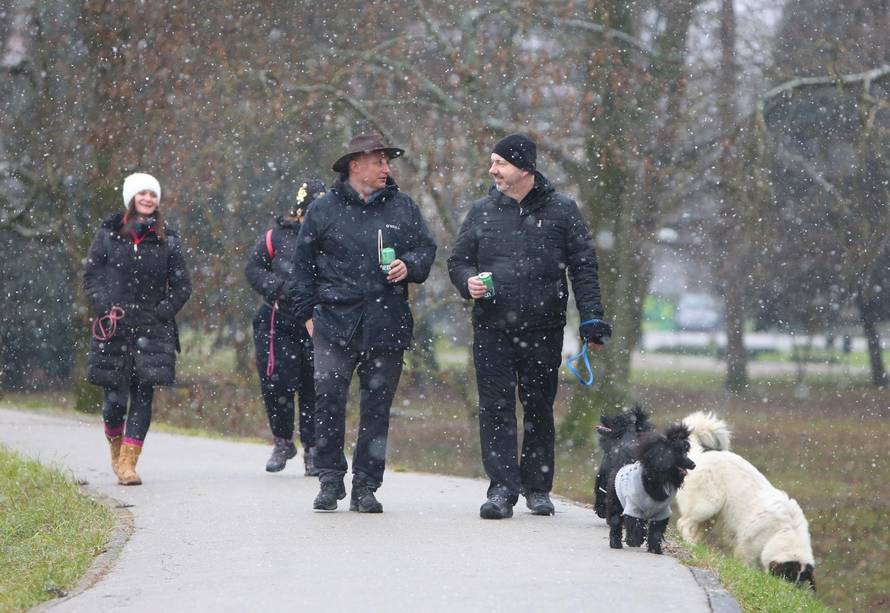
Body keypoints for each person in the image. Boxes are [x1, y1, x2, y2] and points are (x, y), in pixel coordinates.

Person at [447, 134, 612, 519]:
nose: (492, 170)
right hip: (492, 328)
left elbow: (583, 267)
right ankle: (501, 490)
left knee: (539, 407)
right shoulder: (482, 211)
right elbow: (458, 260)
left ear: (524, 168)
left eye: (500, 163)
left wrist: (591, 319)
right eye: (492, 162)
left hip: (543, 328)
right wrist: (467, 282)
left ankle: (538, 489)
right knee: (495, 408)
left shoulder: (563, 210)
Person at [285, 134, 437, 513]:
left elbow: (426, 250)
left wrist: (409, 266)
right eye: (379, 161)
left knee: (377, 410)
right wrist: (307, 316)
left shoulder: (403, 207)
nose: (386, 168)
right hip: (333, 323)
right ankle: (329, 479)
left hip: (387, 323)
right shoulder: (323, 209)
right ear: (355, 165)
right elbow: (301, 268)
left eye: (387, 161)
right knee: (328, 403)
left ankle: (366, 486)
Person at [83, 172, 192, 485]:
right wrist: (105, 307)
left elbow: (182, 286)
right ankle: (116, 448)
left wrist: (162, 312)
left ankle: (129, 464)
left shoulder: (168, 240)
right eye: (142, 193)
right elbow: (92, 276)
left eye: (153, 194)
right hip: (114, 328)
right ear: (131, 197)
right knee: (114, 401)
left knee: (143, 397)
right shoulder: (108, 235)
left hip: (152, 331)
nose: (148, 198)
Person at [245, 180, 325, 475]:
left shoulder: (331, 237)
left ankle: (313, 450)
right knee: (276, 383)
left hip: (316, 322)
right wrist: (279, 287)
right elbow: (253, 269)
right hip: (276, 321)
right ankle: (282, 441)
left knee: (314, 387)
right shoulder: (275, 236)